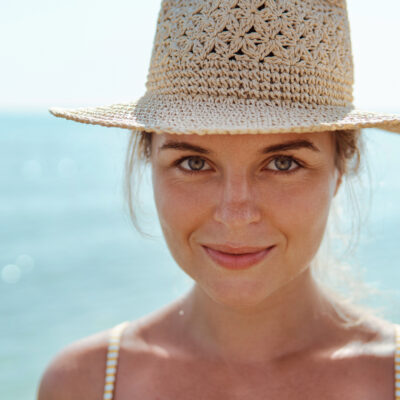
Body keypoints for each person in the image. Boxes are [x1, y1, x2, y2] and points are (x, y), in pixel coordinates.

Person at [38, 0, 400, 399]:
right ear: (149, 159)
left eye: (283, 163)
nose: (235, 215)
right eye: (194, 162)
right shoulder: (81, 384)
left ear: (340, 166)